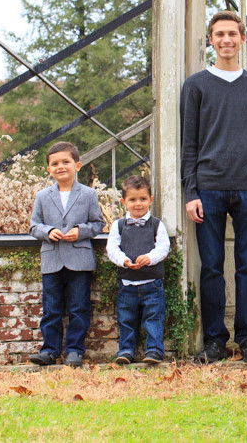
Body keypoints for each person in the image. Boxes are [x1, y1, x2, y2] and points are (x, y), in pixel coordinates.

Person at [181, 10, 247, 365]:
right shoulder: (196, 85)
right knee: (212, 267)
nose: (227, 40)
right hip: (209, 188)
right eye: (219, 34)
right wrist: (191, 192)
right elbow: (189, 142)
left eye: (233, 34)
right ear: (210, 40)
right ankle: (215, 341)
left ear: (243, 39)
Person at [29, 141, 105, 367]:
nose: (60, 167)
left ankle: (74, 351)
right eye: (55, 164)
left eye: (65, 162)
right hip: (52, 260)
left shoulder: (88, 194)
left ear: (77, 165)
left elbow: (98, 223)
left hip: (79, 261)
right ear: (49, 169)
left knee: (79, 308)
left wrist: (80, 231)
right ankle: (50, 351)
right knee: (51, 308)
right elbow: (34, 226)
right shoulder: (42, 196)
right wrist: (48, 231)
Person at [106, 175, 170, 365]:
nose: (138, 204)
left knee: (153, 319)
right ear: (124, 202)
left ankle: (154, 350)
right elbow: (112, 248)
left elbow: (163, 247)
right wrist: (123, 260)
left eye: (142, 199)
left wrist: (149, 258)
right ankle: (126, 351)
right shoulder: (118, 225)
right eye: (132, 200)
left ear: (150, 200)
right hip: (127, 284)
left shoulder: (157, 225)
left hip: (152, 284)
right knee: (126, 320)